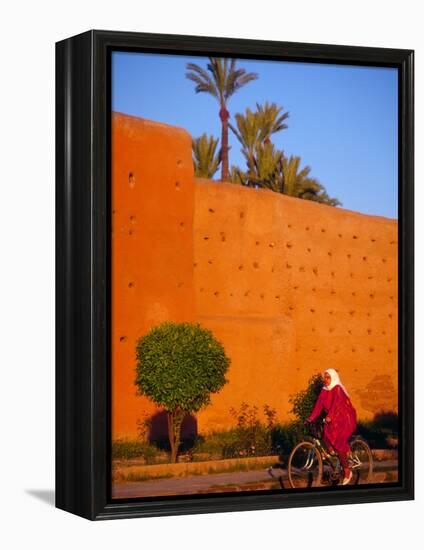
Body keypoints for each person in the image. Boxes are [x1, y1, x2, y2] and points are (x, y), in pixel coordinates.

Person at [305, 368, 357, 485]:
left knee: (338, 444)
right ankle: (338, 462)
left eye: (328, 377)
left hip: (344, 418)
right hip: (332, 420)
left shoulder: (337, 388)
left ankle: (347, 471)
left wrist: (330, 416)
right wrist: (311, 418)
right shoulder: (324, 390)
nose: (325, 380)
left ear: (333, 378)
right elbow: (318, 406)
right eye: (325, 377)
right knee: (325, 437)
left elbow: (337, 404)